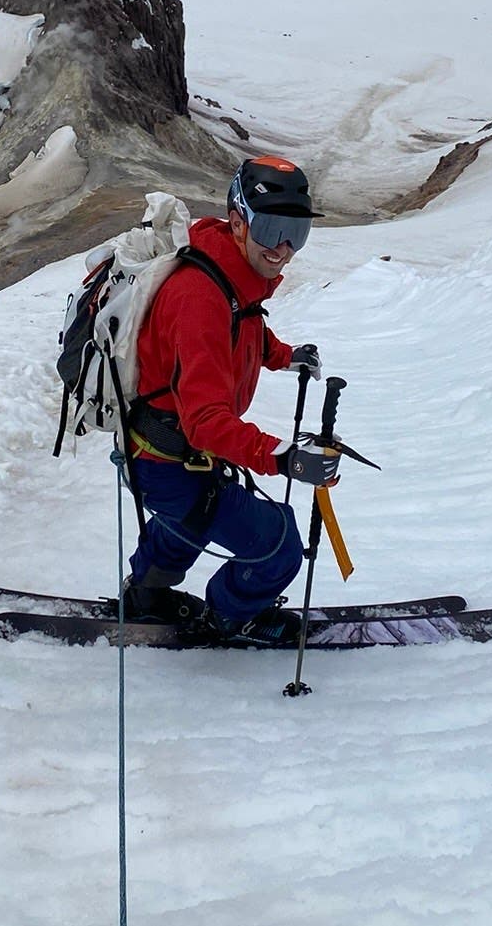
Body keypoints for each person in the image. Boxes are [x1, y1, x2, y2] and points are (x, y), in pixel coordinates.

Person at [119, 155, 341, 645]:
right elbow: (204, 421)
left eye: (296, 233)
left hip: (165, 455)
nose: (283, 248)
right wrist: (281, 458)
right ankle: (231, 616)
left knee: (191, 519)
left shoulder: (230, 277)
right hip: (172, 456)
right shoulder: (200, 296)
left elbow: (244, 332)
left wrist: (285, 356)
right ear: (238, 222)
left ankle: (147, 596)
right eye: (271, 229)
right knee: (279, 542)